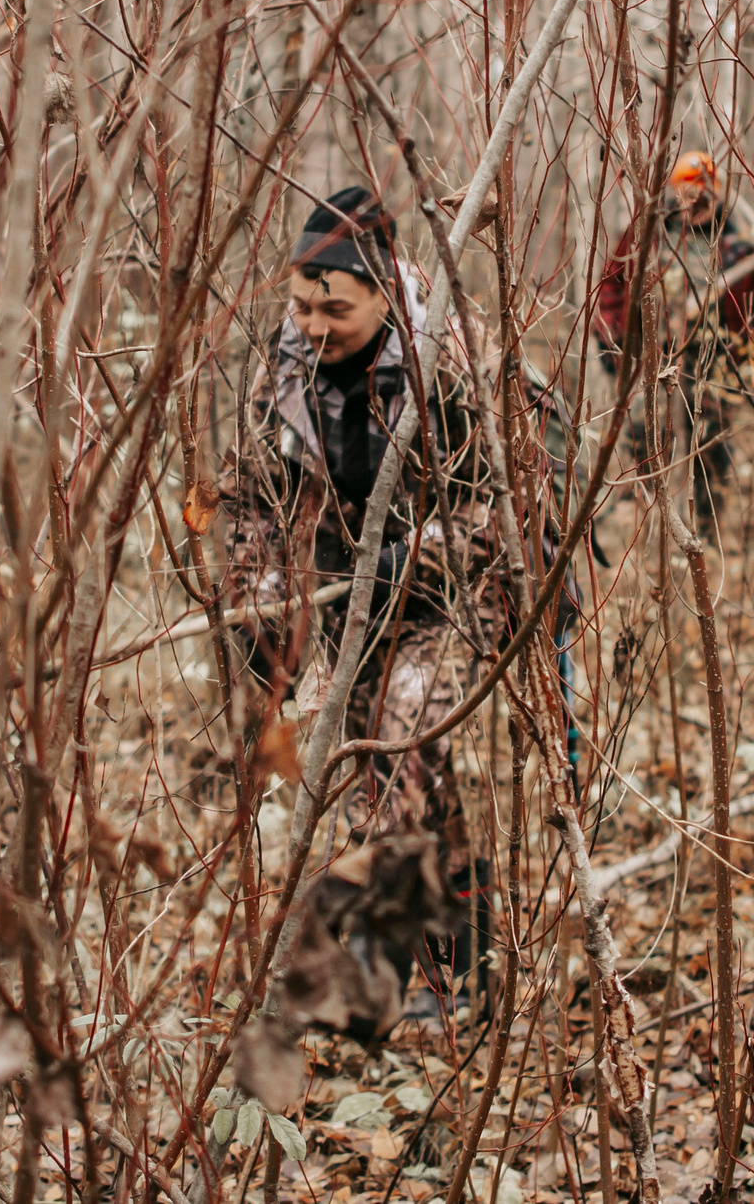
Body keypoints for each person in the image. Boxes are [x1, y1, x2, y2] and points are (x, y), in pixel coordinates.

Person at [221, 186, 499, 1029]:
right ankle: (443, 955)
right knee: (383, 778)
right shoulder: (284, 371)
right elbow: (257, 499)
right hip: (345, 600)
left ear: (385, 293)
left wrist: (408, 555)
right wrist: (262, 613)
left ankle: (414, 971)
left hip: (456, 595)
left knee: (401, 750)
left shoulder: (452, 358)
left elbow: (503, 508)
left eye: (332, 307)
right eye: (300, 302)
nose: (310, 322)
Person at [594, 151, 754, 517]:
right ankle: (652, 519)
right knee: (641, 436)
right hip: (655, 356)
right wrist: (612, 340)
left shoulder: (740, 244)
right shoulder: (648, 232)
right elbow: (611, 285)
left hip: (714, 360)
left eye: (704, 195)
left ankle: (706, 534)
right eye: (687, 193)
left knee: (710, 447)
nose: (695, 204)